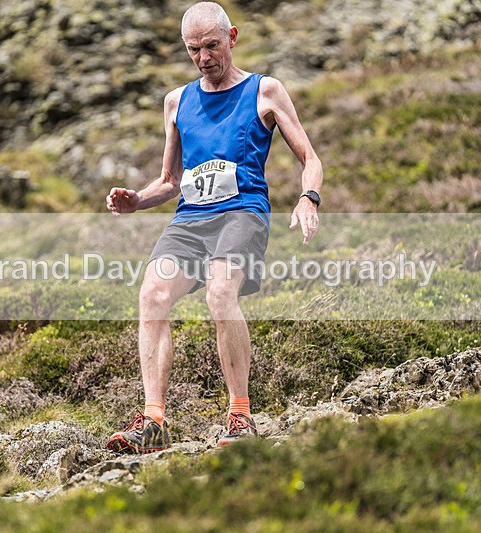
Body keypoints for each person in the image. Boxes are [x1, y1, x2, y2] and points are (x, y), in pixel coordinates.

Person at [104, 1, 322, 453]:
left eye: (212, 46)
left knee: (220, 292)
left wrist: (308, 197)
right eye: (193, 49)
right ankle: (154, 421)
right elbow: (171, 181)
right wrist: (137, 200)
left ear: (233, 38)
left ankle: (240, 415)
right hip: (190, 219)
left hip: (243, 212)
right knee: (152, 294)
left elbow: (310, 158)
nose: (204, 58)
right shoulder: (176, 101)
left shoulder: (266, 91)